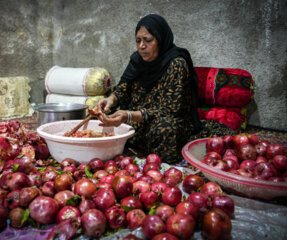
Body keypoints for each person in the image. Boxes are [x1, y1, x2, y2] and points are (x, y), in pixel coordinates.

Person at [96, 14, 233, 163]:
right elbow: (124, 86)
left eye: (148, 40)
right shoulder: (137, 60)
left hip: (166, 119)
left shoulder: (176, 64)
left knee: (165, 130)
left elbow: (170, 110)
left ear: (160, 40)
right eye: (138, 41)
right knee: (101, 123)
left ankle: (152, 156)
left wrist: (129, 115)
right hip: (138, 117)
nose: (142, 46)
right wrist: (110, 99)